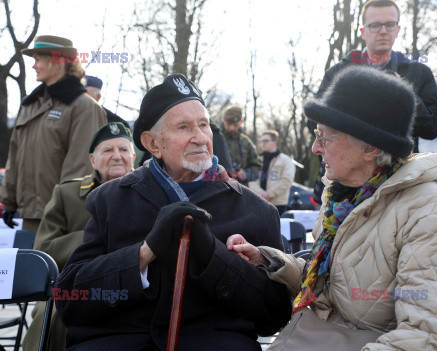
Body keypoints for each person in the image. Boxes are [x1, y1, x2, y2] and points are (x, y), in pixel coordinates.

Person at [227, 66, 437, 350]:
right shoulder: (344, 200)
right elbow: (336, 287)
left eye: (326, 136)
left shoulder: (431, 216)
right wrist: (269, 261)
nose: (314, 148)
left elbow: (428, 338)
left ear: (370, 148)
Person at [55, 74, 291, 351]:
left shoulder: (256, 210)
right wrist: (143, 254)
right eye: (183, 127)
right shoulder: (110, 200)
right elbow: (71, 300)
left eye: (204, 125)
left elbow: (273, 315)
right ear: (153, 144)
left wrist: (213, 257)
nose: (200, 137)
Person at [312, 0, 437, 203]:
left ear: (398, 29)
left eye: (389, 25)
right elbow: (314, 121)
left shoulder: (418, 72)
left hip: (398, 179)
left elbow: (435, 126)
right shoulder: (339, 73)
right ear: (363, 32)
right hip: (344, 179)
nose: (383, 31)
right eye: (375, 25)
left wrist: (406, 96)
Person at [22, 122, 135, 351]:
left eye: (123, 150)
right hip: (73, 284)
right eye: (108, 150)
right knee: (55, 315)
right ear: (93, 160)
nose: (117, 156)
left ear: (133, 157)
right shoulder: (67, 194)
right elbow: (43, 250)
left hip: (131, 281)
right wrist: (93, 239)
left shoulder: (148, 191)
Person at [0, 35, 106, 233]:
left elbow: (80, 167)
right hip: (27, 216)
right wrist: (8, 202)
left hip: (60, 220)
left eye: (38, 59)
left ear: (57, 61)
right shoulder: (29, 106)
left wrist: (63, 211)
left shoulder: (83, 107)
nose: (34, 66)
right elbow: (14, 156)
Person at [249, 130, 295, 215]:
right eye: (261, 141)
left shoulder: (285, 160)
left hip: (278, 204)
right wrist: (262, 194)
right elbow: (251, 180)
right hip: (258, 202)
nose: (263, 143)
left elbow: (287, 181)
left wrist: (269, 194)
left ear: (274, 142)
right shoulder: (257, 160)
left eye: (266, 140)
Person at [221, 105, 262, 184]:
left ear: (241, 122)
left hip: (240, 189)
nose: (232, 128)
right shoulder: (214, 139)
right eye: (228, 124)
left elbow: (257, 166)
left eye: (235, 125)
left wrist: (246, 174)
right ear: (223, 120)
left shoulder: (246, 142)